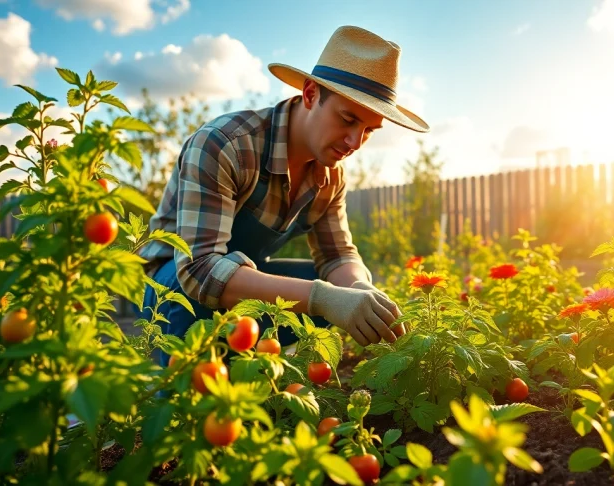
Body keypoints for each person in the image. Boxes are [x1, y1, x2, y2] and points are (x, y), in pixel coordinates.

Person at [136, 25, 429, 365]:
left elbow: (337, 256)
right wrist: (322, 298)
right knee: (318, 294)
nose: (354, 142)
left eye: (368, 131)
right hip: (174, 291)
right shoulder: (225, 144)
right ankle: (177, 384)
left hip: (245, 283)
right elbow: (199, 269)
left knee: (334, 289)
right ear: (309, 94)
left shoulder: (330, 175)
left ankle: (258, 377)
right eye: (348, 119)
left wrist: (359, 289)